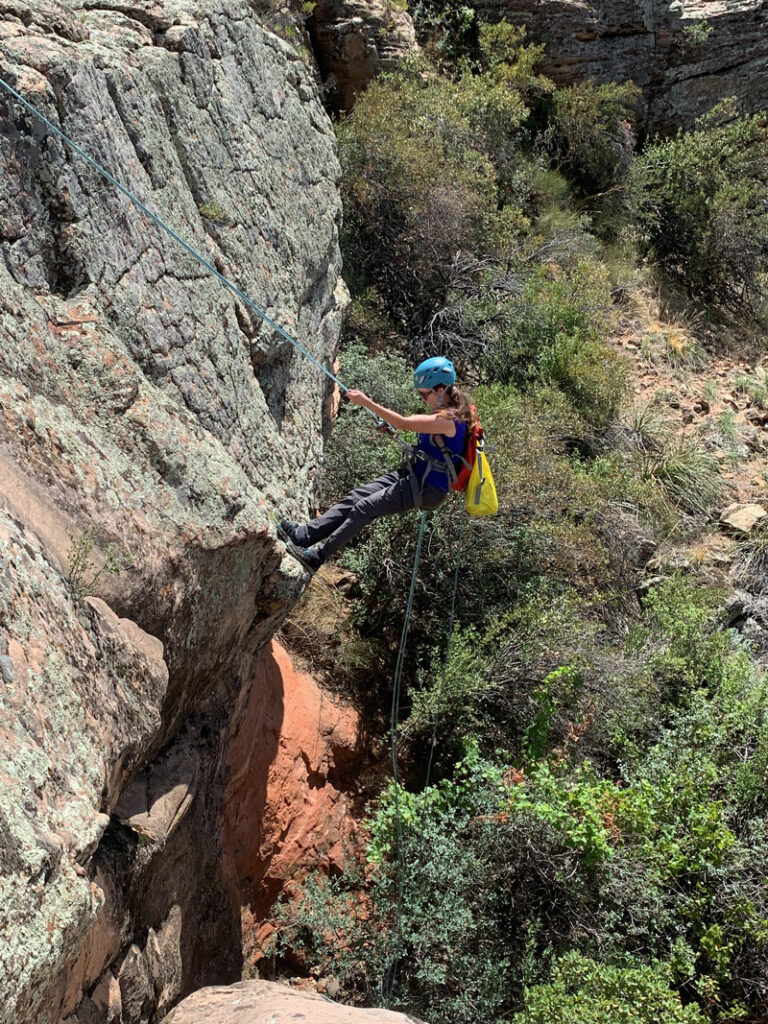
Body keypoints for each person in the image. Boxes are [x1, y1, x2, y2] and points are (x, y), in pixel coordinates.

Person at [280, 357, 477, 572]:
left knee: (365, 507)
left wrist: (366, 402)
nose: (422, 399)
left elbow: (404, 422)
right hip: (414, 474)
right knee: (356, 497)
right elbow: (433, 446)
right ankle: (304, 535)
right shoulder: (443, 414)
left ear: (440, 389)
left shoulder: (450, 420)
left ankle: (317, 557)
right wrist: (391, 430)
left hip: (428, 487)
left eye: (424, 394)